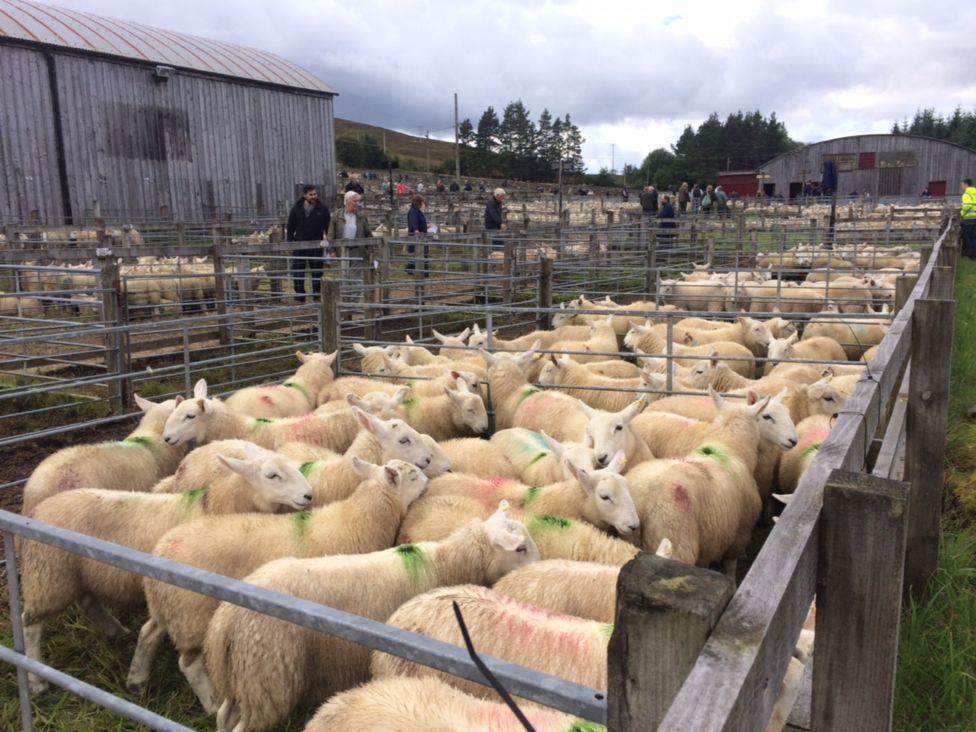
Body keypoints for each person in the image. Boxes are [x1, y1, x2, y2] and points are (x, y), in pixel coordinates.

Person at [286, 184, 331, 300]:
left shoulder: (323, 209)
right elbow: (291, 227)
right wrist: (290, 242)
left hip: (316, 244)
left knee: (317, 272)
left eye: (315, 194)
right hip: (300, 244)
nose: (313, 196)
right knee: (298, 272)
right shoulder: (296, 208)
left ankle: (316, 296)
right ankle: (300, 297)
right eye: (311, 194)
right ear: (305, 195)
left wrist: (329, 244)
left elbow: (328, 227)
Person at [327, 191, 373, 274]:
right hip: (341, 249)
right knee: (344, 274)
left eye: (358, 201)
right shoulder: (337, 215)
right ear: (347, 201)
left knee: (356, 276)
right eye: (355, 201)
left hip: (357, 249)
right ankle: (345, 286)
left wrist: (370, 250)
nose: (357, 203)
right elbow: (330, 234)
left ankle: (356, 287)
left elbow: (368, 233)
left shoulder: (361, 216)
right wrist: (331, 250)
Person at [407, 194, 429, 276]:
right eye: (423, 203)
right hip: (417, 238)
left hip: (421, 236)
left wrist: (427, 226)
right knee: (418, 254)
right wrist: (416, 231)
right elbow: (413, 224)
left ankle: (422, 272)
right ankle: (417, 272)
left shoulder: (417, 211)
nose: (424, 205)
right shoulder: (413, 211)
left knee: (422, 254)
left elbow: (419, 222)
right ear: (419, 203)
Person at [962, 178, 976, 258]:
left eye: (962, 184)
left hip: (968, 218)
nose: (962, 186)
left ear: (966, 184)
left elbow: (967, 207)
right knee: (974, 236)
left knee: (967, 236)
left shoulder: (966, 194)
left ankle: (970, 254)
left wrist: (962, 213)